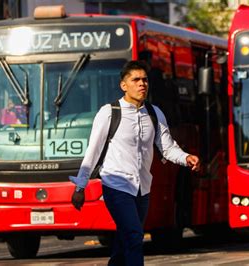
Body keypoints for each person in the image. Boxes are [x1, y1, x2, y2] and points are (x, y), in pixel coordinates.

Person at [69, 61, 200, 266]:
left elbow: (166, 147)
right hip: (116, 185)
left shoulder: (155, 113)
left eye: (145, 80)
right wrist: (80, 187)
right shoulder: (109, 112)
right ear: (124, 85)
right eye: (136, 80)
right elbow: (92, 151)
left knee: (125, 241)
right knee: (134, 235)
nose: (142, 84)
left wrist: (185, 157)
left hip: (142, 188)